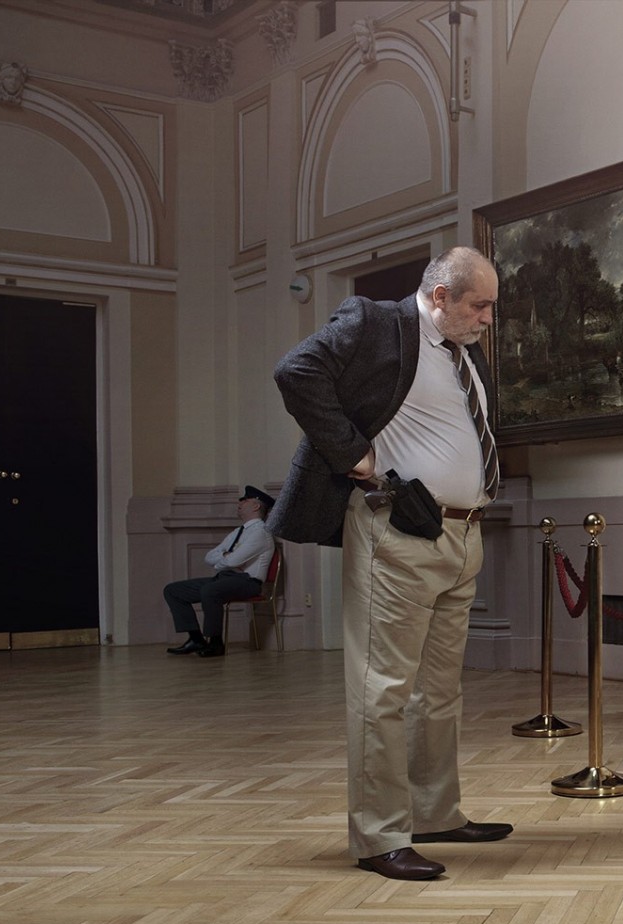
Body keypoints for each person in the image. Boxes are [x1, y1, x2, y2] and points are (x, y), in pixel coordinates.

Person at [267, 247, 513, 881]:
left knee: (440, 690)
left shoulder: (463, 350)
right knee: (383, 689)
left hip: (462, 534)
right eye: (479, 305)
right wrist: (355, 456)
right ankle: (380, 837)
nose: (488, 319)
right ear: (440, 296)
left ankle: (434, 813)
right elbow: (296, 371)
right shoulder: (375, 322)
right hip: (398, 532)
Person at [163, 486, 276, 658]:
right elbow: (209, 556)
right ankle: (196, 639)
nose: (240, 502)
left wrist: (223, 560)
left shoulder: (260, 532)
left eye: (245, 500)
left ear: (256, 506)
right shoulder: (239, 532)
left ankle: (215, 643)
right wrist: (225, 557)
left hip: (248, 582)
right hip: (225, 578)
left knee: (210, 591)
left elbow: (233, 561)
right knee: (173, 590)